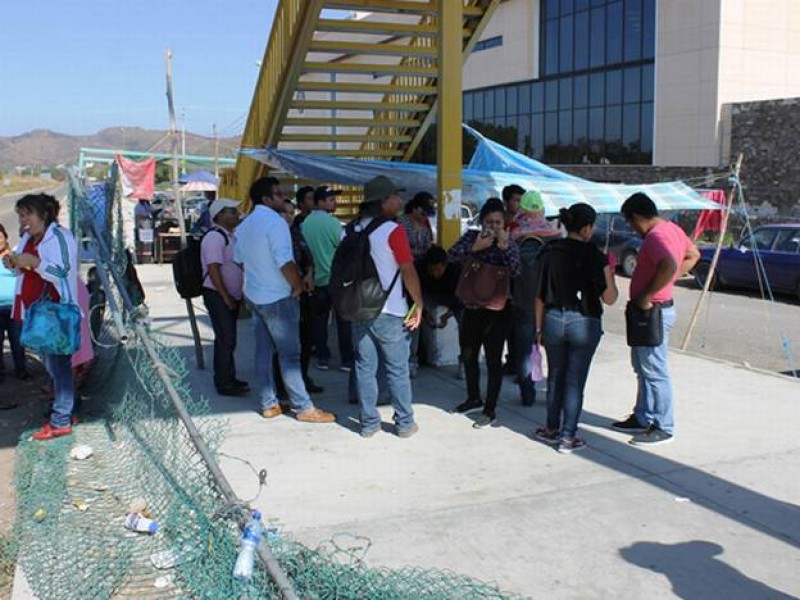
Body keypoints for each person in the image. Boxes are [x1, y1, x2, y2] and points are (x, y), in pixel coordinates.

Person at [235, 177, 335, 423]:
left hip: (255, 295)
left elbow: (238, 259)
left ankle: (268, 404)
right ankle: (303, 406)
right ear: (266, 199)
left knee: (263, 351)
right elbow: (285, 262)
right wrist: (298, 286)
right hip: (278, 296)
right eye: (278, 194)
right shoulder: (275, 223)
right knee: (290, 355)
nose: (282, 198)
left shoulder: (244, 225)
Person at [611, 192, 700, 446]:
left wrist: (649, 294)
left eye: (631, 222)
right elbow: (692, 255)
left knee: (654, 370)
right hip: (650, 309)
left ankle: (664, 425)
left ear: (638, 217)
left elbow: (669, 265)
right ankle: (643, 416)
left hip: (653, 311)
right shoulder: (672, 229)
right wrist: (664, 283)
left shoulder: (657, 236)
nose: (632, 228)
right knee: (642, 368)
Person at [532, 203, 619, 453]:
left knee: (556, 376)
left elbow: (538, 296)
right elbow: (610, 298)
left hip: (552, 320)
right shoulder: (595, 255)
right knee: (574, 381)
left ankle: (550, 429)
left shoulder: (549, 251)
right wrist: (610, 273)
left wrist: (538, 329)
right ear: (586, 228)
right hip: (584, 321)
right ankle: (568, 438)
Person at [351, 175, 424, 438]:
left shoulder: (352, 229)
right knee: (397, 369)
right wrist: (418, 303)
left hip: (358, 309)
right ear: (383, 201)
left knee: (364, 368)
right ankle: (404, 423)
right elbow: (407, 269)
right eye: (395, 196)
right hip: (389, 310)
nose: (400, 199)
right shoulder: (393, 231)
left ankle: (369, 424)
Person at [3, 194, 79, 440]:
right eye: (21, 215)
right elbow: (22, 270)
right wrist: (13, 262)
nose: (23, 220)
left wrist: (34, 262)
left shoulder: (60, 237)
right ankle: (65, 409)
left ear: (44, 214)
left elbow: (63, 271)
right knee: (51, 365)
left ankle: (61, 419)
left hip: (56, 312)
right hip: (36, 312)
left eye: (27, 214)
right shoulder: (27, 237)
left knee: (58, 365)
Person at [449, 198, 521, 428]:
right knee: (469, 355)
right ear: (481, 222)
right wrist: (475, 249)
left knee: (493, 360)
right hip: (471, 306)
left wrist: (504, 247)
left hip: (497, 310)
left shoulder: (509, 242)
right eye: (489, 222)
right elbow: (450, 256)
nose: (493, 226)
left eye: (498, 222)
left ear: (504, 223)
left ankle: (490, 409)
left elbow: (517, 270)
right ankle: (473, 397)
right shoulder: (472, 237)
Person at [301, 186, 354, 371]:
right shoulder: (333, 224)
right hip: (336, 280)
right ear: (320, 202)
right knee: (344, 322)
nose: (335, 202)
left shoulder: (305, 223)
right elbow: (346, 248)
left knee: (319, 322)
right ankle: (347, 360)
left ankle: (322, 358)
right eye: (331, 199)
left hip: (315, 280)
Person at [201, 198, 247, 396]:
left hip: (227, 294)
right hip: (218, 294)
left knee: (228, 339)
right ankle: (223, 381)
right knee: (225, 338)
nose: (236, 215)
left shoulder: (229, 236)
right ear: (219, 215)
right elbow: (213, 268)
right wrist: (225, 295)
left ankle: (229, 377)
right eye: (231, 211)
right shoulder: (215, 237)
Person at [278, 198, 322, 394]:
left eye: (290, 212)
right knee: (282, 343)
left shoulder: (297, 233)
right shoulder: (274, 235)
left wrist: (310, 274)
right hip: (283, 294)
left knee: (306, 338)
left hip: (303, 293)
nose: (288, 216)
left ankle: (303, 377)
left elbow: (308, 257)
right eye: (284, 212)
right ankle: (281, 385)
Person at [414, 245, 463, 375]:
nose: (435, 274)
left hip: (452, 297)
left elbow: (462, 300)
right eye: (432, 270)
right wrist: (424, 313)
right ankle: (412, 360)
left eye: (439, 270)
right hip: (428, 295)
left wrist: (447, 316)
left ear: (445, 266)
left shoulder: (456, 270)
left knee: (465, 322)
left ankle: (464, 362)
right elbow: (415, 295)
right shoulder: (419, 269)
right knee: (413, 318)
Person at [0, 223, 30, 385]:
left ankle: (21, 370)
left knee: (18, 340)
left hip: (14, 306)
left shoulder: (15, 255)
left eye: (0, 237)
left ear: (5, 238)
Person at [398, 191, 435, 260]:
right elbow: (402, 250)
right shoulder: (401, 223)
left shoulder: (425, 226)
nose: (426, 217)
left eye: (428, 214)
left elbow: (428, 247)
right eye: (423, 213)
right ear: (414, 209)